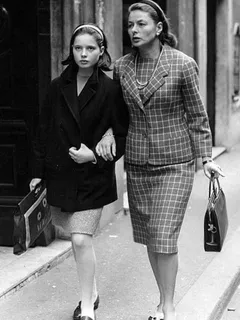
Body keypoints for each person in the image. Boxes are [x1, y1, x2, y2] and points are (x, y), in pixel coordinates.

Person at [96, 1, 224, 320]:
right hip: (138, 164)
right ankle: (162, 298)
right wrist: (109, 133)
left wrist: (205, 158)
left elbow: (197, 115)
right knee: (152, 237)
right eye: (130, 25)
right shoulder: (122, 66)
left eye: (140, 24)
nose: (133, 30)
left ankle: (168, 308)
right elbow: (116, 113)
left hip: (175, 163)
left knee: (163, 234)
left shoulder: (182, 64)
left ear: (158, 28)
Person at [29, 24, 128, 320]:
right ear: (71, 50)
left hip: (93, 177)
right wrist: (37, 172)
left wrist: (95, 155)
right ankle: (92, 290)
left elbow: (122, 134)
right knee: (73, 236)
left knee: (81, 239)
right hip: (59, 174)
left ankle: (86, 307)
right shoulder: (57, 85)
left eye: (90, 49)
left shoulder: (111, 89)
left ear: (101, 52)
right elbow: (43, 130)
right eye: (78, 48)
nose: (83, 54)